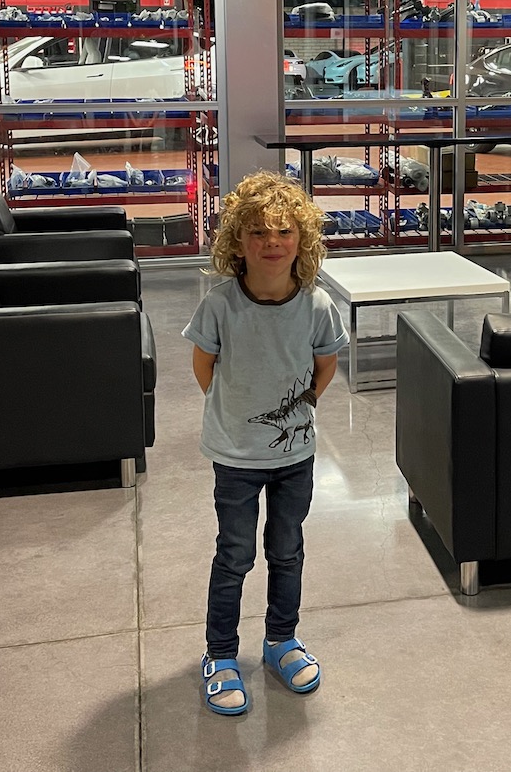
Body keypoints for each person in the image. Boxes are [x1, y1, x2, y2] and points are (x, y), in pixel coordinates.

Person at [183, 171, 349, 716]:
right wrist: (236, 415)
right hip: (235, 458)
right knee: (234, 554)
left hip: (295, 458)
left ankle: (281, 639)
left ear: (302, 241)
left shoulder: (317, 306)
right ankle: (221, 653)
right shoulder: (220, 305)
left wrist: (299, 412)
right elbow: (203, 365)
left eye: (282, 232)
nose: (271, 242)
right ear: (237, 242)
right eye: (257, 232)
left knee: (286, 550)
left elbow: (325, 365)